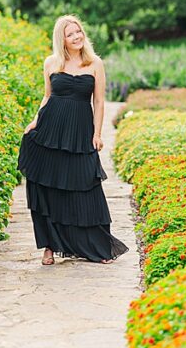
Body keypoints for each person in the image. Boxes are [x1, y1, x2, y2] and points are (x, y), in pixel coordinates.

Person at [17, 14, 128, 265]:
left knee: (85, 185)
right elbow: (47, 97)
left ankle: (96, 246)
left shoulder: (94, 63)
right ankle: (49, 246)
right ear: (62, 39)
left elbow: (98, 102)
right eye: (70, 34)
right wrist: (35, 121)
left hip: (79, 133)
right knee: (49, 187)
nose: (77, 36)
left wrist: (97, 134)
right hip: (50, 131)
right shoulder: (51, 62)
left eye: (78, 32)